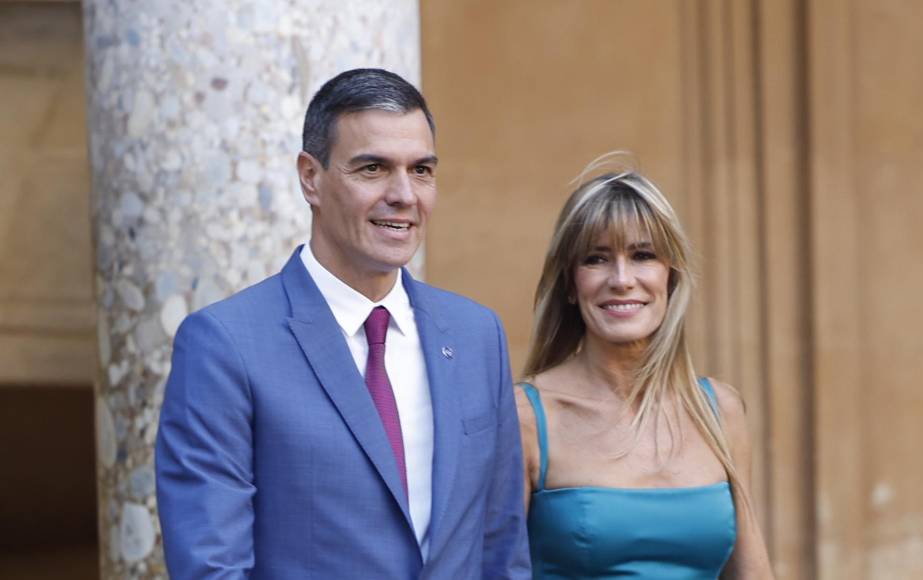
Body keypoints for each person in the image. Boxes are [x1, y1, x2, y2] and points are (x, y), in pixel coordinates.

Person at [156, 68, 530, 579]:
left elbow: (501, 546)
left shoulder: (475, 334)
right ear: (311, 177)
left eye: (421, 170)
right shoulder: (225, 345)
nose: (404, 195)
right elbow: (211, 566)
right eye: (373, 168)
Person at [516, 159, 775, 579]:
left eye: (642, 255)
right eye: (596, 259)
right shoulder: (525, 417)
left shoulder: (720, 411)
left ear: (670, 276)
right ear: (569, 283)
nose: (621, 279)